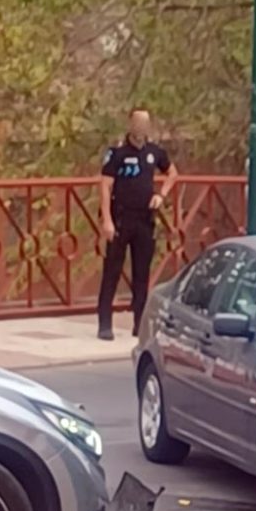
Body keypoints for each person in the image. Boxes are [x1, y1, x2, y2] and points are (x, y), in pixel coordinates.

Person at [96, 108, 178, 341]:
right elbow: (104, 185)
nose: (141, 127)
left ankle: (139, 322)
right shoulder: (118, 153)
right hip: (121, 217)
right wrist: (107, 220)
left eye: (146, 123)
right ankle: (105, 322)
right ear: (131, 124)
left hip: (145, 219)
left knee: (142, 274)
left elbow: (172, 173)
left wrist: (161, 194)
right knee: (112, 270)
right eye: (138, 122)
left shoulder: (154, 152)